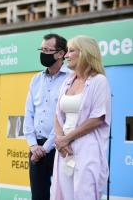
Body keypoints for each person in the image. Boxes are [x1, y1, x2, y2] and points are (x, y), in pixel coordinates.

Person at [51, 35, 111, 200]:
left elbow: (97, 118)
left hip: (87, 148)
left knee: (84, 194)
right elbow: (57, 115)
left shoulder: (99, 81)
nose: (66, 55)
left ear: (84, 53)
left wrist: (66, 138)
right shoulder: (67, 82)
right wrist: (59, 139)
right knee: (63, 194)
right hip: (64, 149)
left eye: (71, 51)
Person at [23, 33, 69, 200]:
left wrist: (46, 147)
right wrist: (33, 145)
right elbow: (28, 113)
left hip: (60, 146)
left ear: (61, 53)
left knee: (60, 195)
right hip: (36, 148)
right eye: (42, 49)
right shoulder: (36, 79)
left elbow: (63, 117)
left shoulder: (70, 78)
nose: (43, 53)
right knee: (38, 195)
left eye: (48, 50)